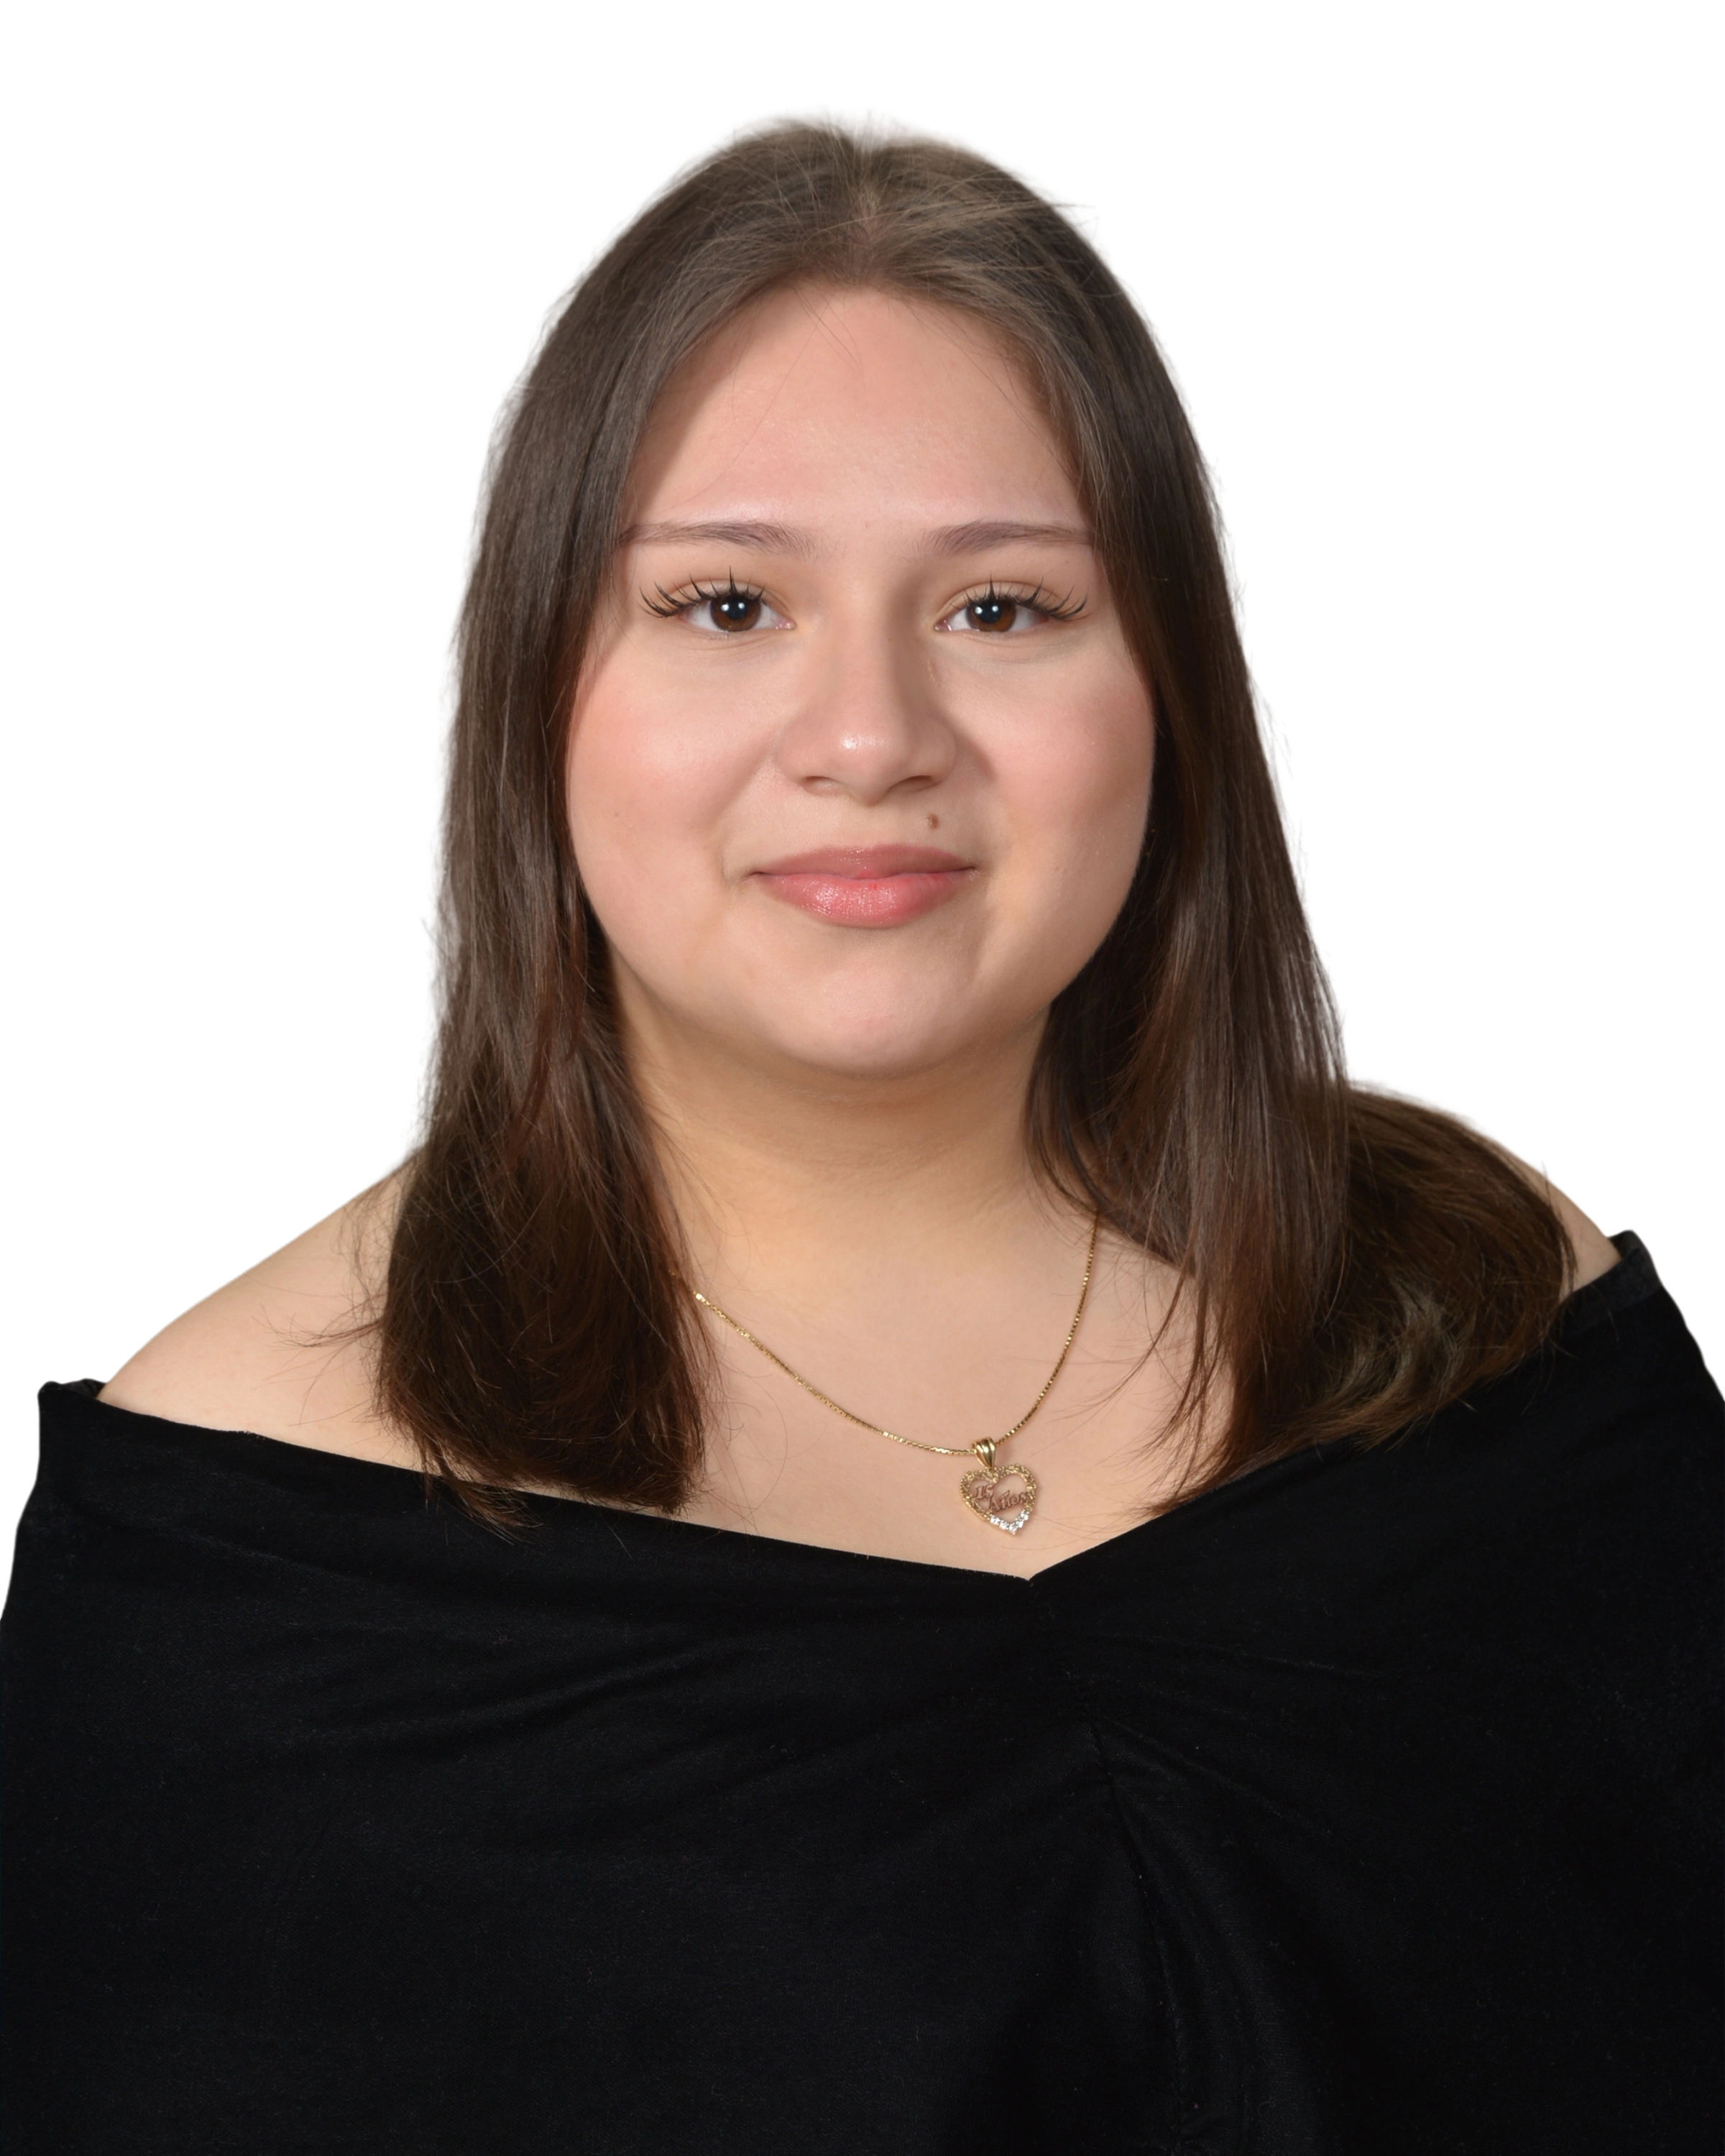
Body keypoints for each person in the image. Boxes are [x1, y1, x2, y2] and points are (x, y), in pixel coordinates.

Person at [6, 103, 1719, 2154]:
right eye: (728, 604)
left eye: (1002, 607)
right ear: (536, 690)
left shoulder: (1503, 1304)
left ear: (1173, 688)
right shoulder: (237, 1526)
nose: (870, 739)